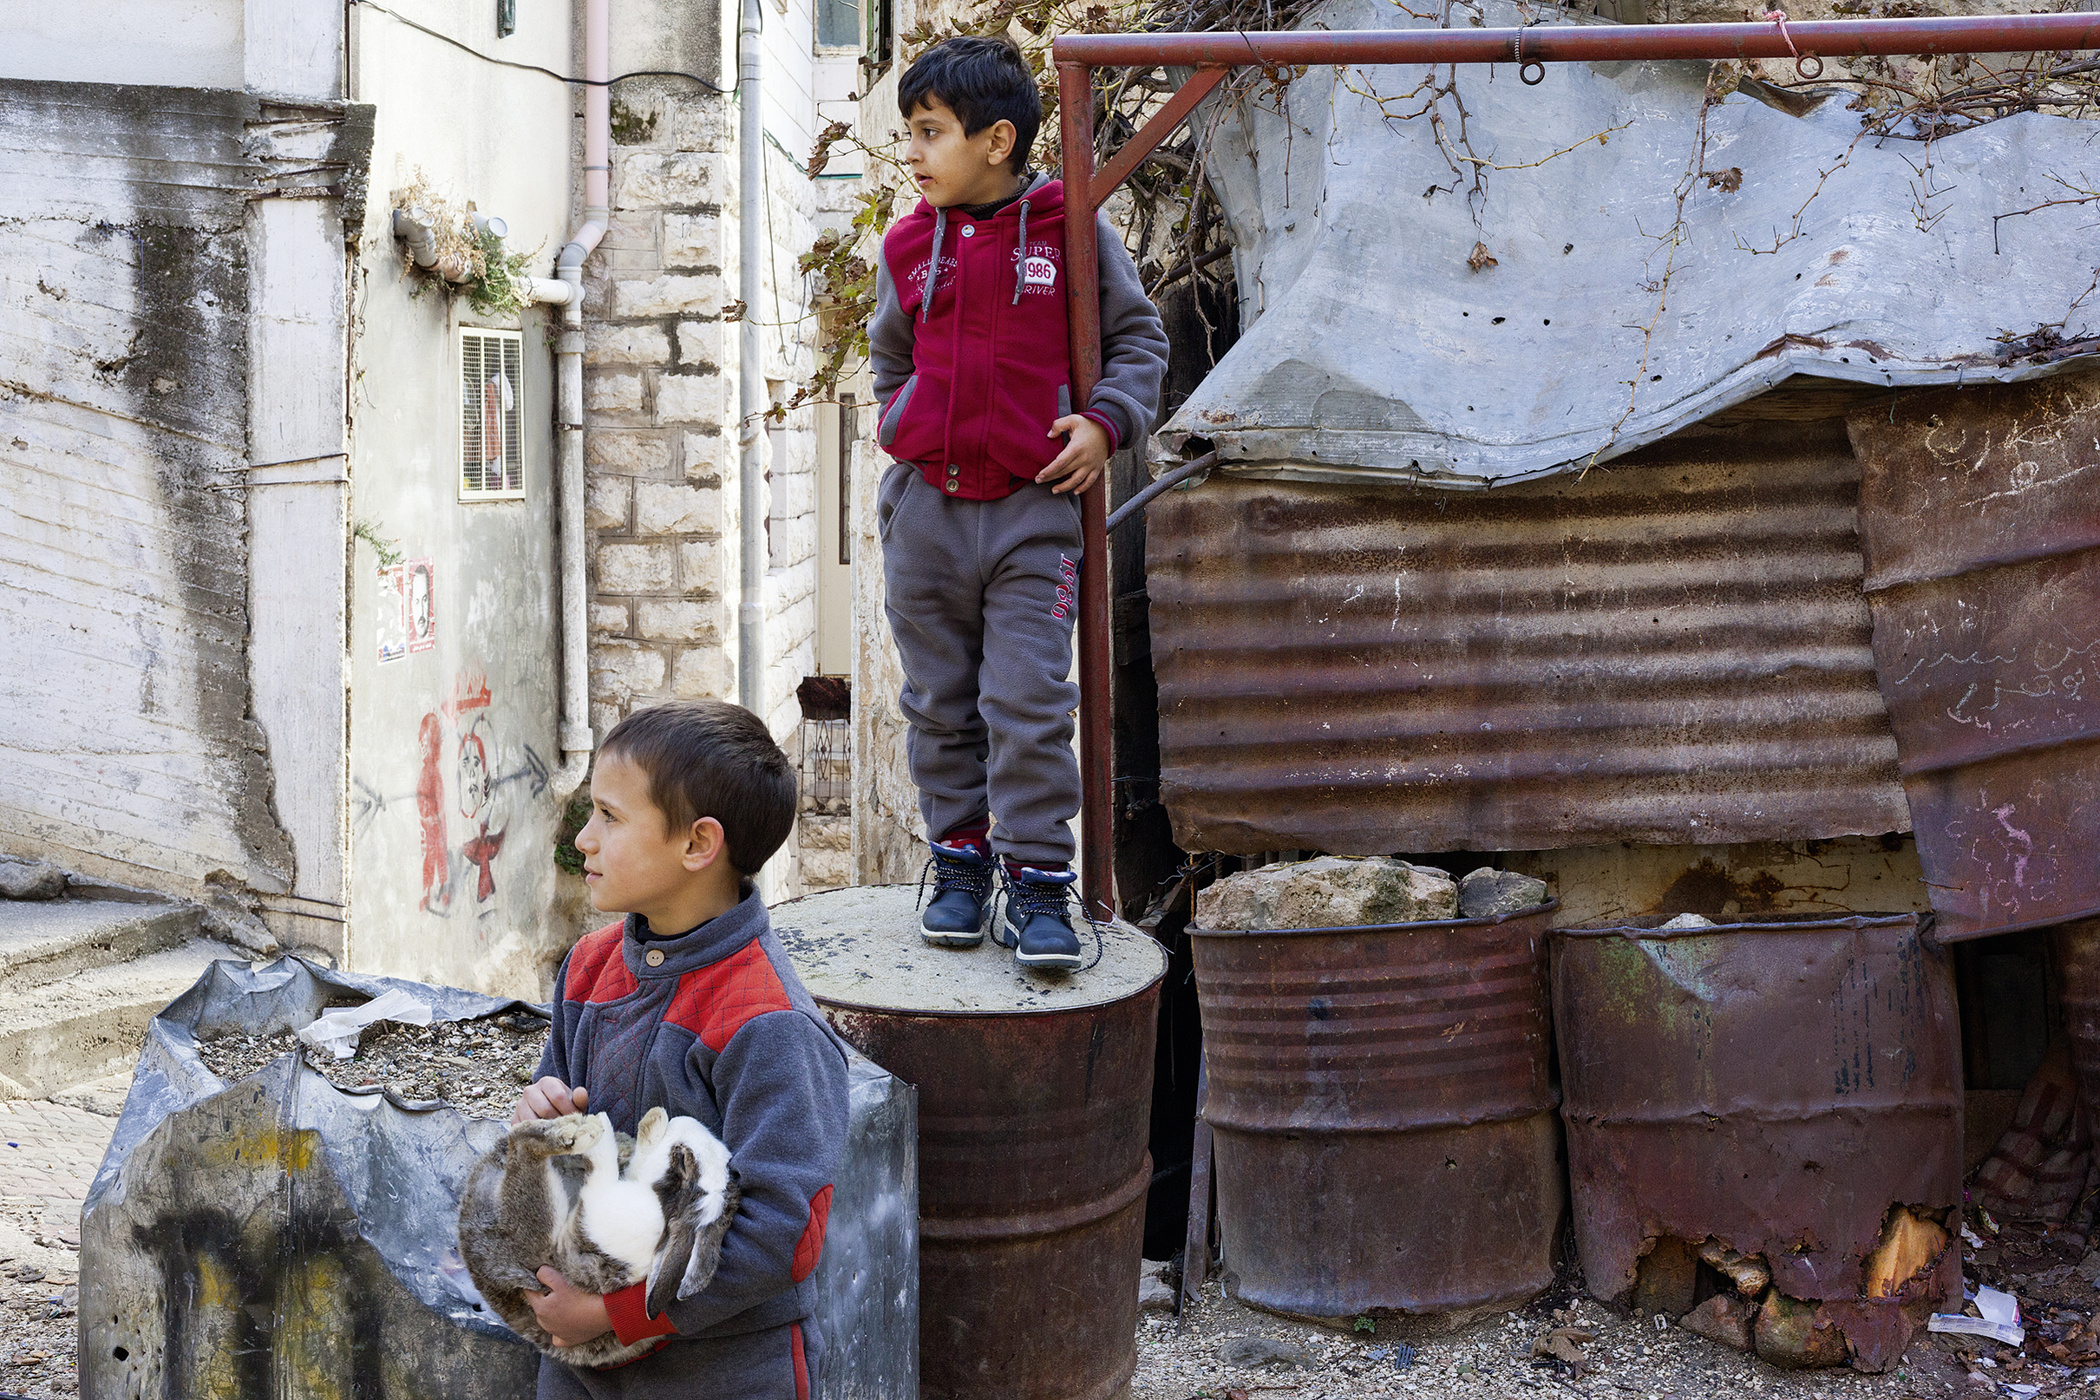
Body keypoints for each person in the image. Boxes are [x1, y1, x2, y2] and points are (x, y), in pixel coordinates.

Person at [869, 34, 1169, 970]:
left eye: (929, 131)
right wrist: (902, 421)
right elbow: (888, 361)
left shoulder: (1072, 232)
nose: (912, 153)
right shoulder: (910, 244)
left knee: (1028, 700)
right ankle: (961, 866)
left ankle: (1041, 883)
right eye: (909, 133)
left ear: (997, 140)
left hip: (1034, 518)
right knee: (939, 702)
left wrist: (1105, 424)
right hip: (927, 518)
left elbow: (1137, 340)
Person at [511, 699, 849, 1400]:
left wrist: (616, 1315)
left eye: (610, 817)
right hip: (582, 1361)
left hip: (724, 1368)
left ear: (698, 845)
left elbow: (780, 1233)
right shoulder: (591, 967)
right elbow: (562, 1150)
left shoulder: (769, 1024)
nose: (584, 840)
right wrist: (538, 1122)